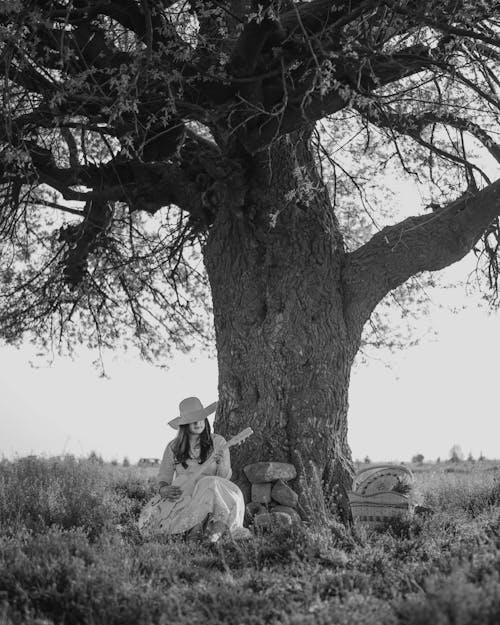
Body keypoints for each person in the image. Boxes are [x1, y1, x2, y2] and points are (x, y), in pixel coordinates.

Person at [138, 396, 246, 542]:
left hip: (218, 492)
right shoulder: (173, 447)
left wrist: (222, 462)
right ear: (184, 424)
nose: (198, 423)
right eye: (192, 420)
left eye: (201, 418)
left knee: (208, 483)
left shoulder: (218, 442)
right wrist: (163, 489)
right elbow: (164, 476)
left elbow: (223, 478)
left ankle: (209, 533)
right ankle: (198, 533)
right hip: (187, 495)